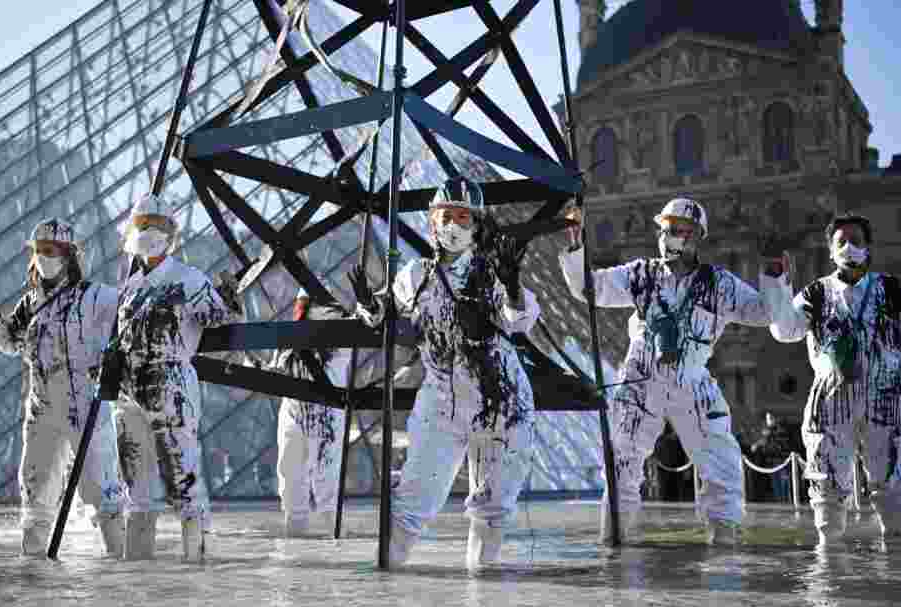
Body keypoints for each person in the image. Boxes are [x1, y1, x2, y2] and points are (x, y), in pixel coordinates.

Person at [560, 197, 777, 545]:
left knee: (721, 462)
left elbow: (765, 313)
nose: (669, 237)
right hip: (641, 378)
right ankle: (615, 543)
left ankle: (725, 544)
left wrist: (773, 271)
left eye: (678, 231)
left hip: (692, 378)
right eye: (665, 230)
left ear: (697, 236)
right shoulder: (641, 273)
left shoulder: (719, 283)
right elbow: (590, 288)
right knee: (622, 464)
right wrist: (574, 244)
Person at [350, 176, 540, 569]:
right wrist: (369, 302)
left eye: (462, 217)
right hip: (441, 402)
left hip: (501, 403)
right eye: (446, 216)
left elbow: (520, 320)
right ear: (432, 223)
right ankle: (385, 592)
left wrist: (513, 284)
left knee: (493, 507)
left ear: (476, 226)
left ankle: (484, 601)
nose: (453, 225)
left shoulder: (493, 271)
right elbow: (385, 310)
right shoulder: (415, 275)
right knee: (409, 504)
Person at [760, 212, 901, 544]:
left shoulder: (891, 289)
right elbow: (784, 329)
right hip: (831, 400)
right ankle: (829, 558)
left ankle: (897, 552)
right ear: (830, 250)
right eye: (841, 241)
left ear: (869, 247)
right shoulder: (816, 293)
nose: (849, 247)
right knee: (826, 483)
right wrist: (776, 281)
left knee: (891, 480)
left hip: (884, 397)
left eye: (856, 241)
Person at [0, 218, 125, 557]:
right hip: (41, 409)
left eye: (50, 250)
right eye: (38, 250)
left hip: (85, 407)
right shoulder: (29, 304)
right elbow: (12, 342)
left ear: (69, 255)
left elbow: (129, 322)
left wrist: (117, 357)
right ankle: (34, 573)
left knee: (103, 491)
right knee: (36, 493)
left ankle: (119, 571)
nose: (43, 256)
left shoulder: (96, 296)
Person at [112, 194, 244, 561]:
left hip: (171, 389)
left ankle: (196, 563)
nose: (149, 231)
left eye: (157, 225)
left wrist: (230, 298)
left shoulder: (188, 279)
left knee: (184, 482)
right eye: (143, 224)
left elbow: (224, 320)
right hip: (129, 394)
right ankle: (137, 571)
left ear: (170, 234)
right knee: (135, 489)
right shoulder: (130, 285)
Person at [272, 288, 352, 537]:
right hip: (294, 410)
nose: (302, 310)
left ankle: (336, 545)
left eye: (307, 305)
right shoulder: (290, 339)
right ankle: (296, 541)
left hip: (325, 412)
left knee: (327, 482)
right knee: (290, 475)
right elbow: (278, 368)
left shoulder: (340, 334)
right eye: (301, 305)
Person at [750, 412, 794, 503]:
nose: (768, 421)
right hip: (772, 462)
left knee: (784, 486)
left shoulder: (780, 430)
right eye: (767, 419)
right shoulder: (768, 431)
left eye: (770, 418)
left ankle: (786, 503)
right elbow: (764, 444)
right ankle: (780, 503)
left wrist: (765, 438)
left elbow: (780, 444)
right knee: (776, 486)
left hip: (782, 462)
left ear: (774, 418)